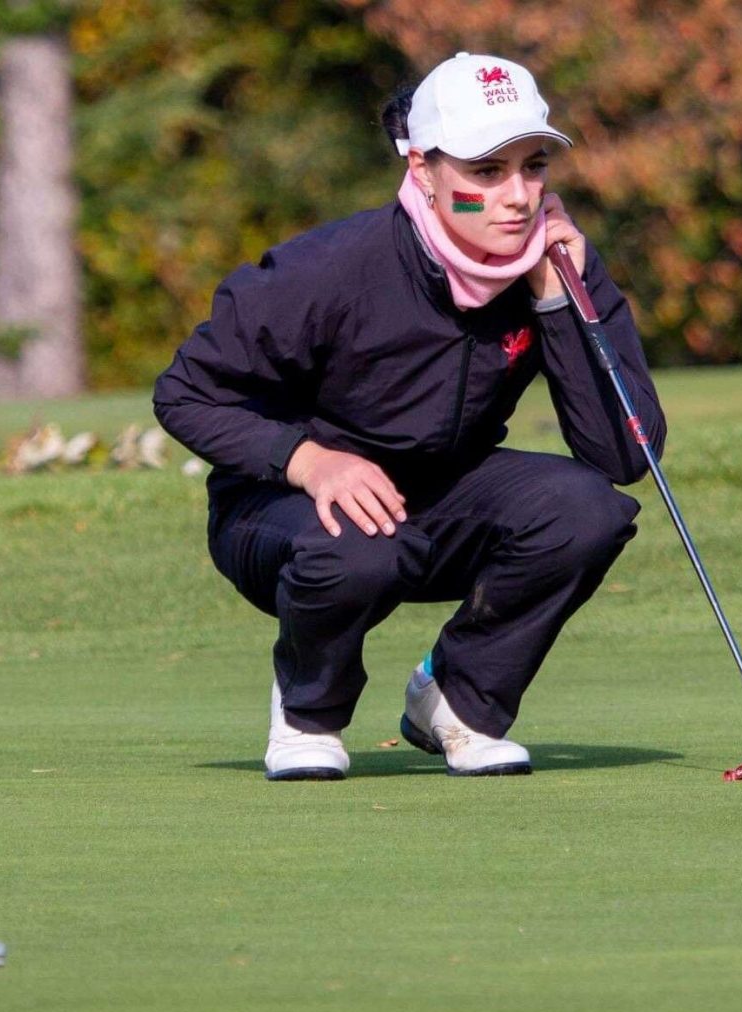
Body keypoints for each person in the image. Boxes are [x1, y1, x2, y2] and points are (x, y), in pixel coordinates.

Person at [153, 51, 666, 781]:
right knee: (359, 543)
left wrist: (561, 300)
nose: (517, 195)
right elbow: (183, 392)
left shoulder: (559, 266)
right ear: (423, 170)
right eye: (485, 173)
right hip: (281, 505)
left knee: (588, 510)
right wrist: (309, 460)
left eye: (533, 166)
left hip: (440, 495)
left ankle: (459, 702)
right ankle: (308, 713)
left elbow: (624, 454)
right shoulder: (326, 269)